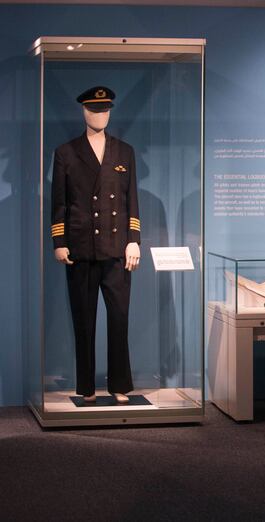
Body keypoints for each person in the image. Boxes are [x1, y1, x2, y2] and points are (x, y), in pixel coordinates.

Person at [51, 86, 141, 404]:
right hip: (81, 248)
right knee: (83, 319)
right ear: (83, 112)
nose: (99, 115)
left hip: (117, 248)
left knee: (119, 319)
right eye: (93, 110)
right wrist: (59, 241)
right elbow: (59, 202)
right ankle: (86, 387)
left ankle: (120, 385)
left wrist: (134, 241)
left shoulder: (124, 151)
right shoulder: (66, 152)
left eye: (104, 110)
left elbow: (131, 199)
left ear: (110, 112)